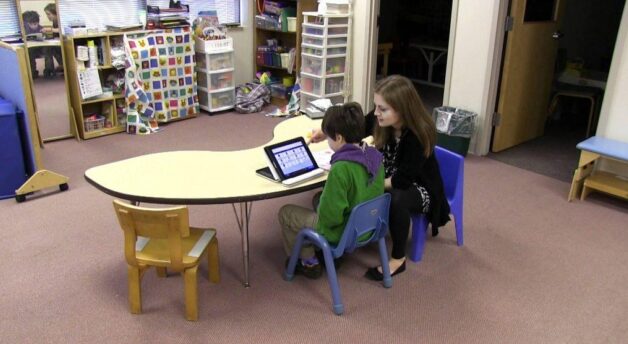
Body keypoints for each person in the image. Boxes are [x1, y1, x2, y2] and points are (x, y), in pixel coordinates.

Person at [309, 75, 450, 281]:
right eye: (376, 107)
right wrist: (327, 132)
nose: (376, 113)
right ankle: (350, 235)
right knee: (341, 192)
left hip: (419, 186)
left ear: (402, 109)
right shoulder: (381, 119)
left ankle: (398, 258)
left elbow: (402, 181)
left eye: (382, 109)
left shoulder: (418, 135)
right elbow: (356, 127)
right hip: (386, 175)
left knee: (395, 199)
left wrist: (365, 187)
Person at [278, 102, 385, 279]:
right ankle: (329, 255)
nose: (327, 140)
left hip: (343, 231)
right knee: (319, 197)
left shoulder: (341, 168)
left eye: (328, 137)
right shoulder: (375, 155)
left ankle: (308, 262)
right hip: (370, 224)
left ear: (339, 138)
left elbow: (330, 218)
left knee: (286, 213)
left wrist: (323, 206)